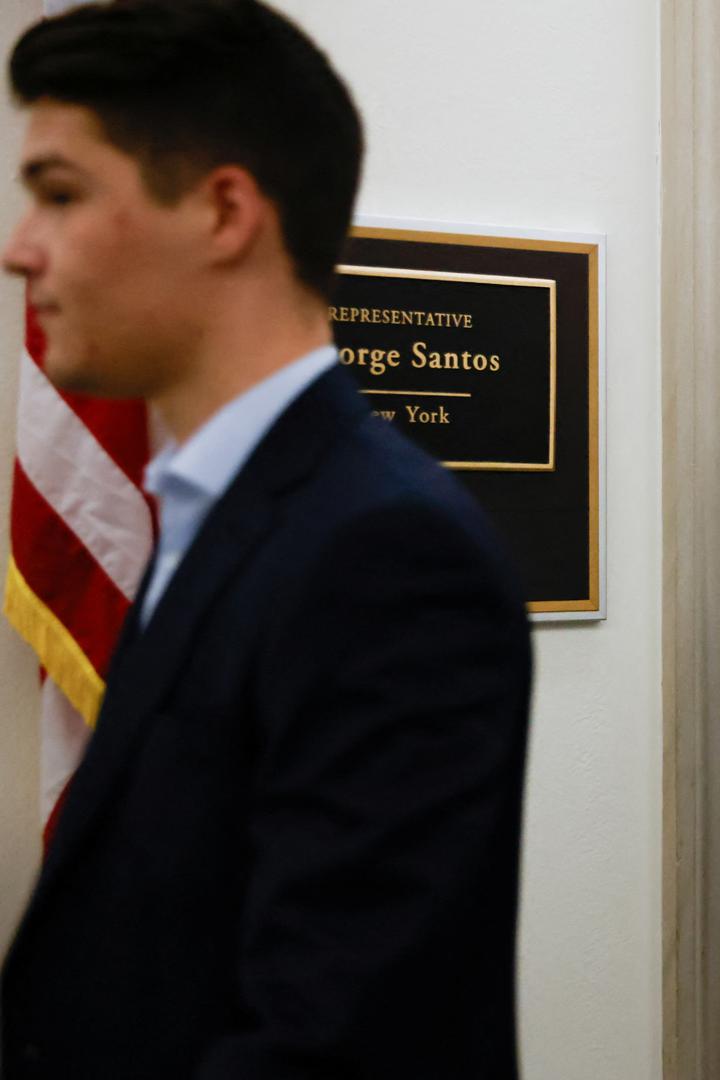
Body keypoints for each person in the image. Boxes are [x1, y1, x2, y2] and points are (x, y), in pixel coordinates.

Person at [0, 3, 532, 1077]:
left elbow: (338, 1042)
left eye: (60, 194)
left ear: (223, 211)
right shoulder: (210, 511)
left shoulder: (387, 553)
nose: (20, 250)